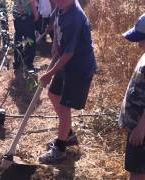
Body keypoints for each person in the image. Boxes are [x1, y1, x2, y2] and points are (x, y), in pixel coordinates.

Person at [38, 0, 97, 163]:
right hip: (66, 62)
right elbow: (55, 20)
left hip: (78, 67)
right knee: (53, 94)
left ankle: (60, 148)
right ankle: (68, 134)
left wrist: (49, 73)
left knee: (64, 107)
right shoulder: (61, 6)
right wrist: (56, 42)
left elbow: (69, 54)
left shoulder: (75, 18)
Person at [119, 13, 145, 180]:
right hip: (137, 125)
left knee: (137, 171)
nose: (138, 45)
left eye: (141, 39)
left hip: (141, 129)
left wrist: (141, 128)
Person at [13, 0, 39, 70]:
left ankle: (17, 63)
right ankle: (29, 64)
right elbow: (32, 1)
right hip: (27, 16)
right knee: (30, 40)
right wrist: (36, 15)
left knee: (18, 39)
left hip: (17, 16)